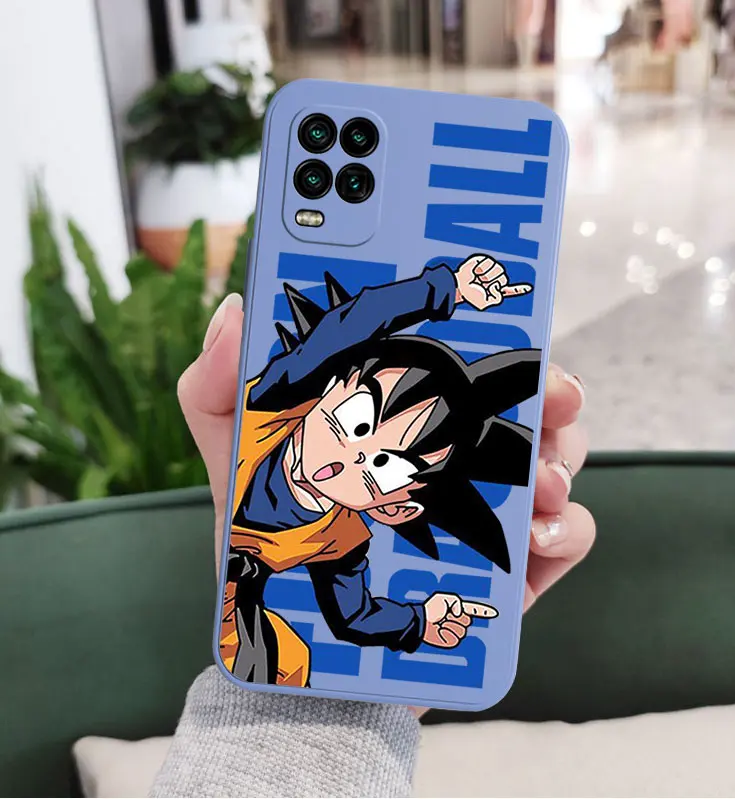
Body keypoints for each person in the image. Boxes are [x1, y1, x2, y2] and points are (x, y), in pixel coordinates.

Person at [150, 291, 595, 797]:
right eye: (357, 421)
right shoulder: (275, 398)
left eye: (385, 466)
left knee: (280, 658)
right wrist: (444, 288)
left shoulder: (342, 537)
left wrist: (420, 621)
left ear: (396, 507)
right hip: (242, 635)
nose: (352, 456)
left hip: (255, 635)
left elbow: (352, 616)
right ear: (332, 384)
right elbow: (348, 325)